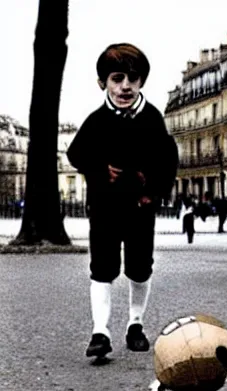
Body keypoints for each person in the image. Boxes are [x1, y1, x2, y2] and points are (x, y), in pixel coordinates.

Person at [67, 43, 178, 358]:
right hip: (103, 208)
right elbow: (75, 153)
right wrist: (99, 170)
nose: (125, 86)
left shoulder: (153, 119)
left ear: (142, 81)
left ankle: (135, 324)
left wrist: (152, 189)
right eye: (117, 78)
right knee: (101, 269)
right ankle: (99, 332)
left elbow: (168, 160)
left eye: (133, 78)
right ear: (103, 83)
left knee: (140, 268)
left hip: (140, 209)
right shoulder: (96, 121)